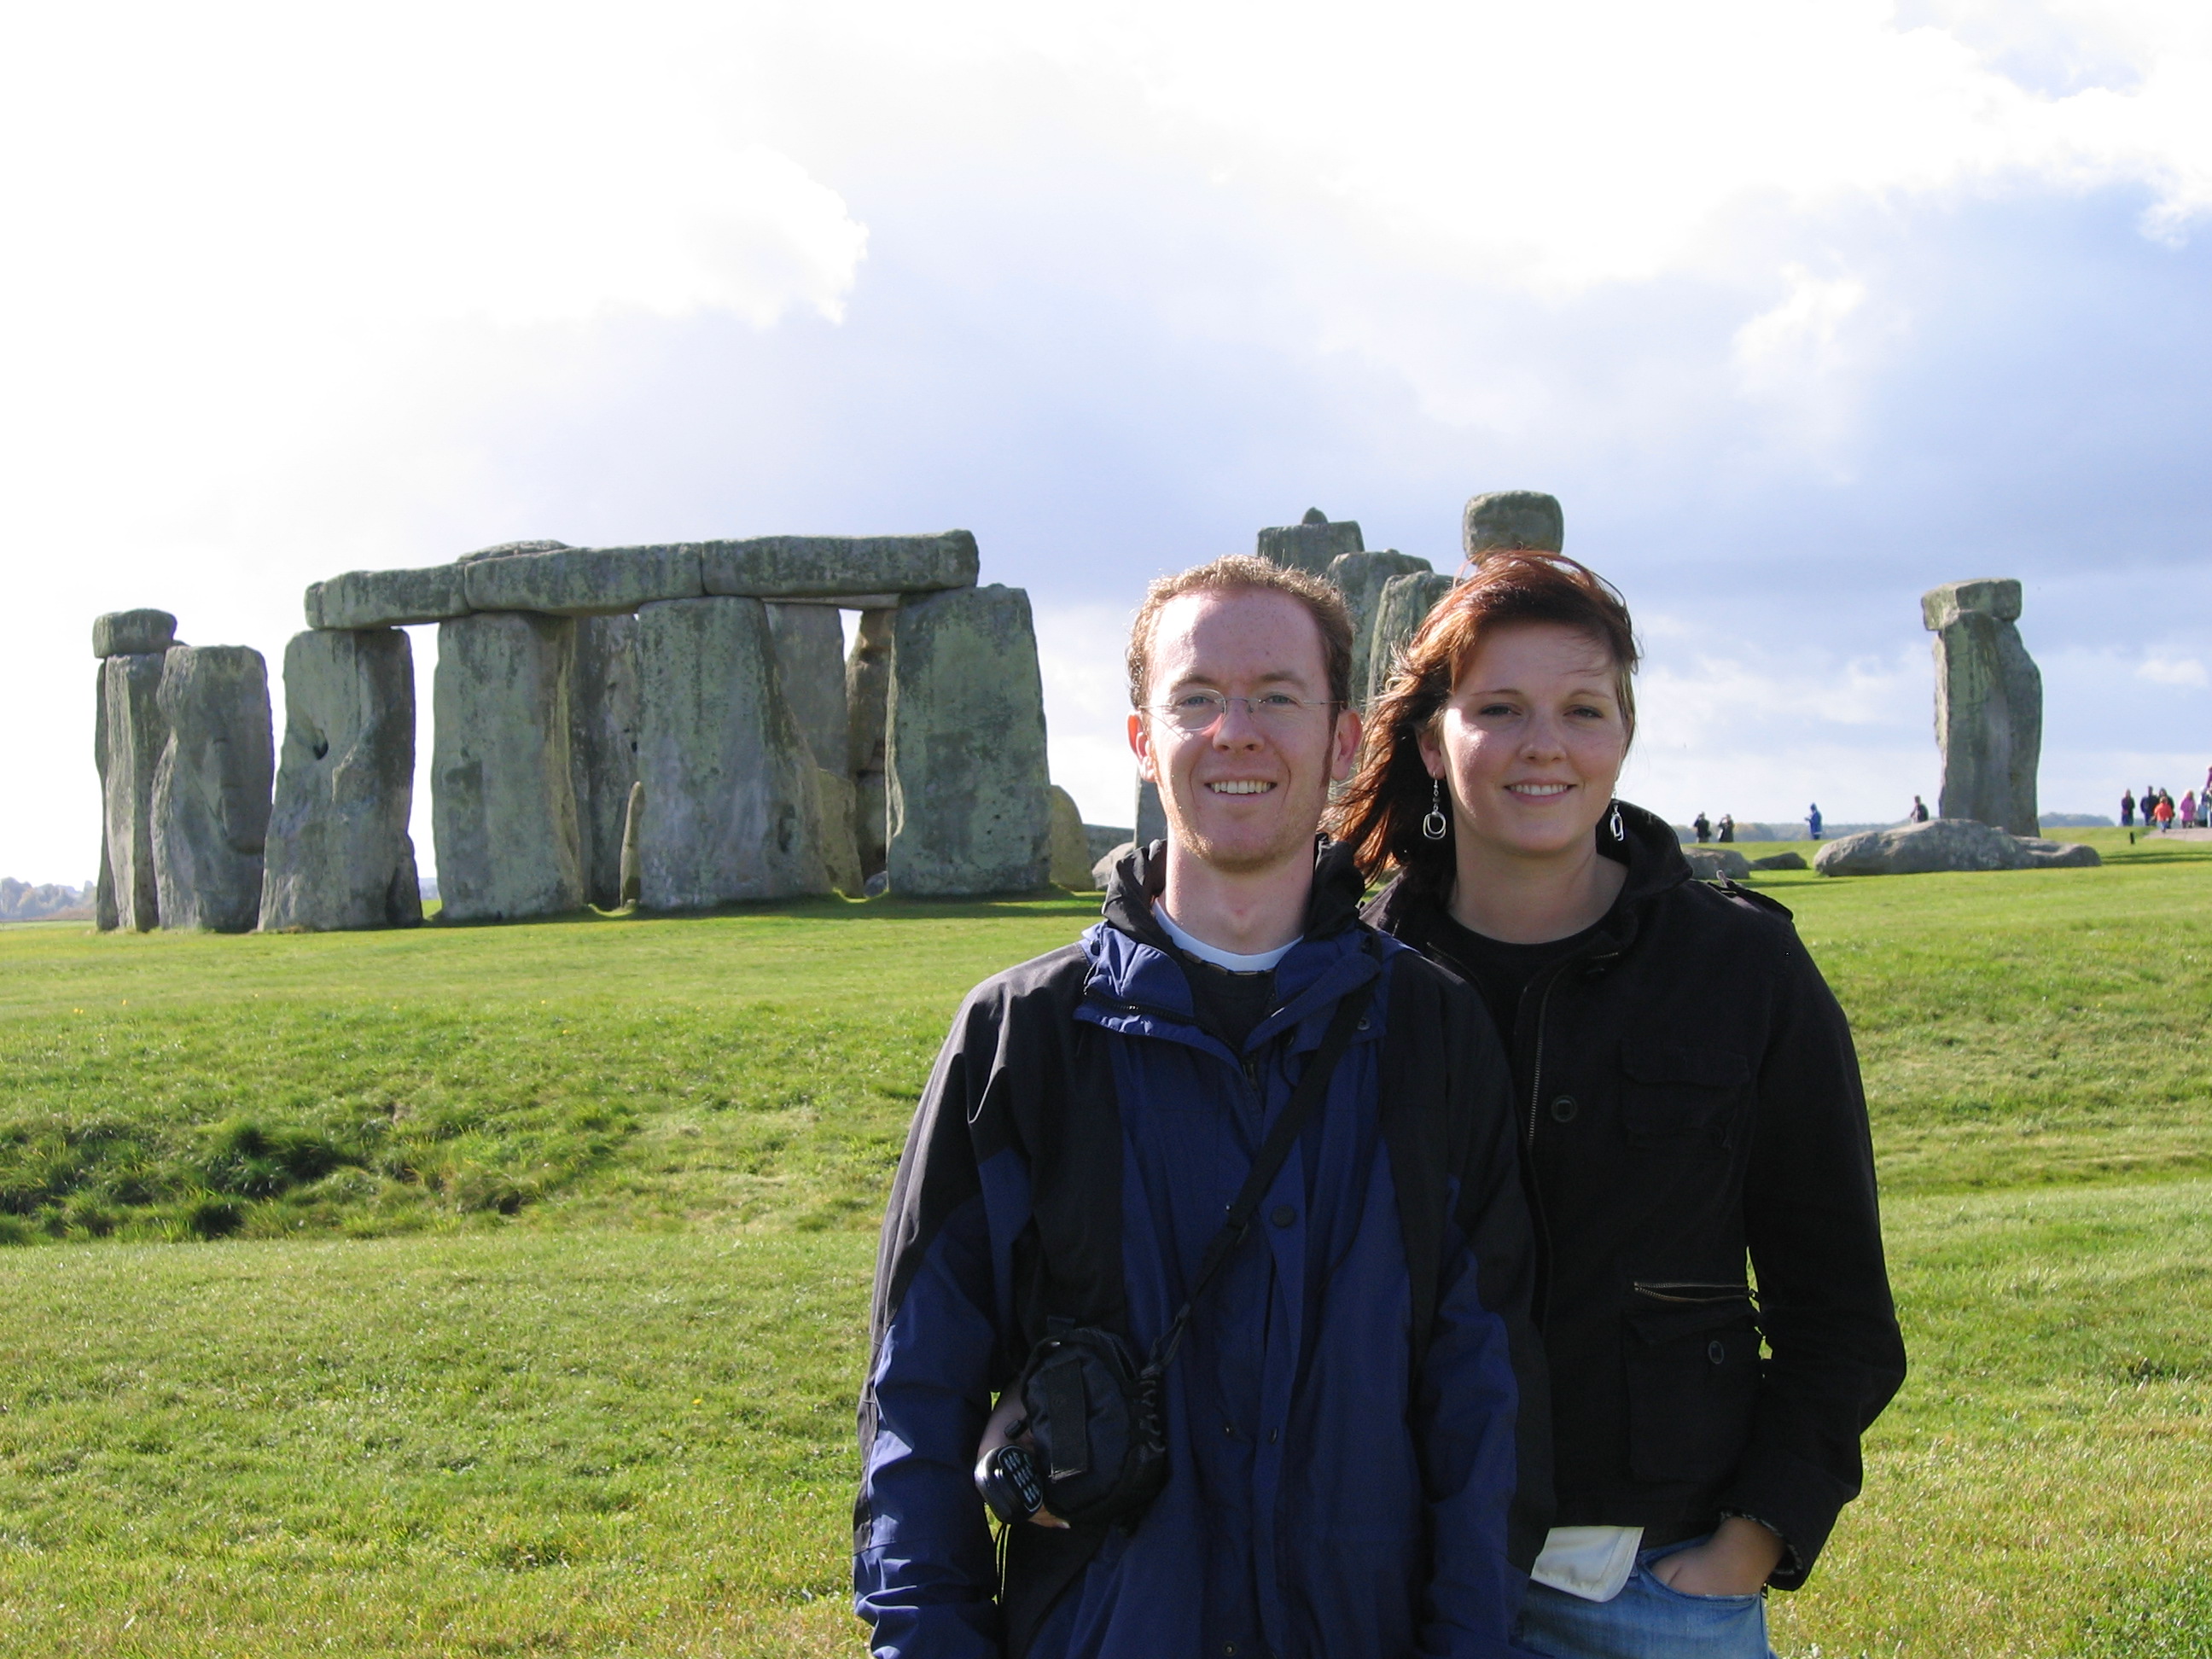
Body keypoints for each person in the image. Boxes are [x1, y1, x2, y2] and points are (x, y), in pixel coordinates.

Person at [857, 555, 1551, 1659]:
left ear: (1342, 741)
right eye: (1196, 698)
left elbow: (1483, 1402)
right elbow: (920, 1401)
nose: (1236, 730)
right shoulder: (1019, 1040)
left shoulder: (1432, 1034)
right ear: (1143, 740)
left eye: (1277, 695)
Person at [1334, 550, 1906, 1659]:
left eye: (1582, 708)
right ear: (1425, 738)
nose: (1545, 743)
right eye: (1498, 708)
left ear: (1626, 732)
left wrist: (1751, 1539)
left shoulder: (1743, 970)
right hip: (1383, 1569)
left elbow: (1840, 1311)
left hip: (1652, 1581)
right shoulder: (1349, 979)